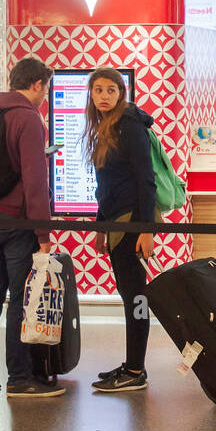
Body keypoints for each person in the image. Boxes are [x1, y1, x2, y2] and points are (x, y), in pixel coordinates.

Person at [0, 57, 63, 398]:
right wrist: (43, 234)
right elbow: (36, 183)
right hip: (18, 223)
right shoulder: (28, 118)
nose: (45, 95)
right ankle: (19, 378)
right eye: (46, 88)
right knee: (20, 302)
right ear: (37, 84)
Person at [84, 67, 157, 393]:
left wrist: (145, 229)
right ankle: (131, 364)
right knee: (130, 295)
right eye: (98, 90)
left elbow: (145, 179)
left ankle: (136, 369)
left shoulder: (129, 125)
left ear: (121, 93)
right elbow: (107, 183)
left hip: (131, 221)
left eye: (110, 90)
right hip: (117, 220)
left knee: (135, 296)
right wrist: (101, 226)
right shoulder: (105, 125)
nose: (103, 96)